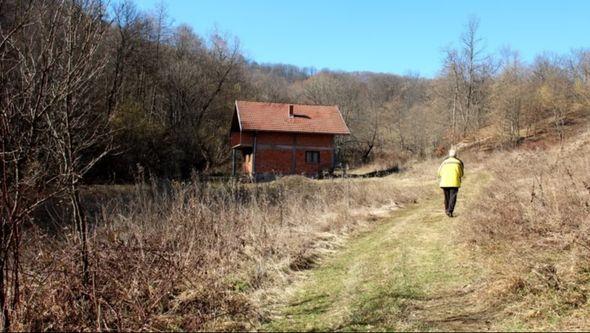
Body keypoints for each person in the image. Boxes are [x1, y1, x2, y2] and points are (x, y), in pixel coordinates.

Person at [437, 148, 464, 217]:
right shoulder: (458, 162)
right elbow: (461, 174)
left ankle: (446, 210)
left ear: (449, 155)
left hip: (444, 182)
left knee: (447, 197)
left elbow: (438, 173)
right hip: (454, 182)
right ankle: (450, 211)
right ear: (456, 155)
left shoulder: (444, 162)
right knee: (453, 197)